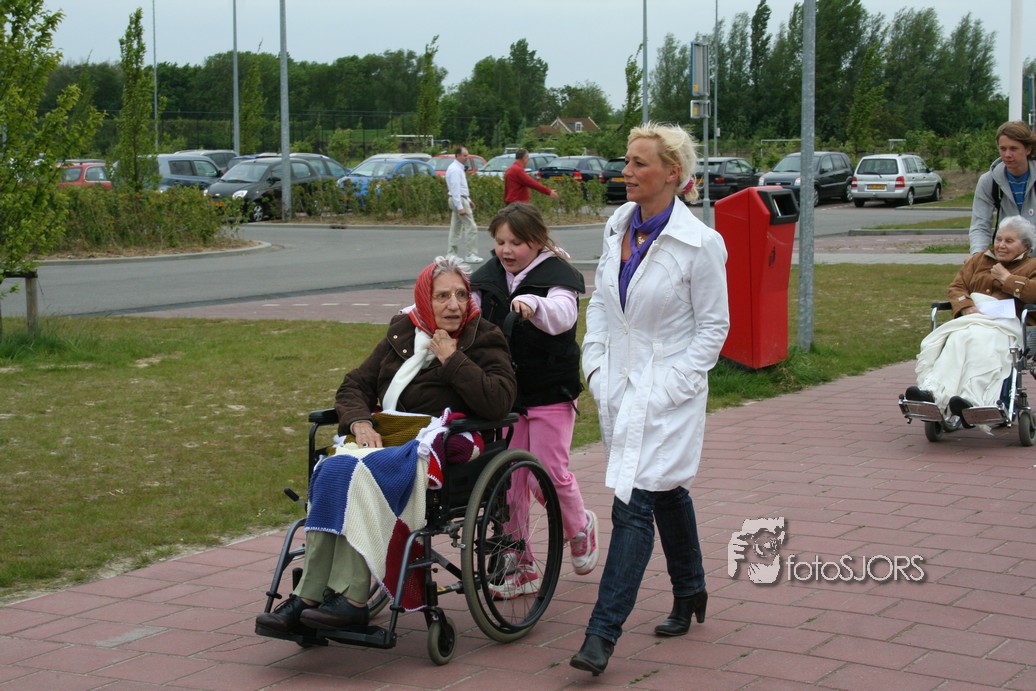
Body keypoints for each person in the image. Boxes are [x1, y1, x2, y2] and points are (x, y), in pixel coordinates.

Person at [256, 256, 516, 634]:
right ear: (424, 299)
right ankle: (308, 595)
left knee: (360, 473)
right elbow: (355, 384)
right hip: (384, 439)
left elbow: (499, 402)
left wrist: (452, 359)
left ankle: (352, 599)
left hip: (434, 448)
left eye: (462, 295)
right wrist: (359, 421)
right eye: (443, 296)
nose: (455, 305)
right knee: (332, 469)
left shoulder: (483, 337)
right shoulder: (403, 331)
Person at [569, 122, 729, 677]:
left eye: (639, 163)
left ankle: (601, 635)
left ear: (671, 174)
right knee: (665, 491)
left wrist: (671, 385)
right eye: (627, 160)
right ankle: (691, 589)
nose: (626, 171)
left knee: (634, 502)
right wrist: (594, 363)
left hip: (668, 394)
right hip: (619, 385)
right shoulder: (618, 224)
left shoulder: (699, 244)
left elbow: (714, 328)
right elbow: (601, 304)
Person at [469, 202, 599, 598]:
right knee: (510, 480)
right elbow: (464, 310)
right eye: (500, 242)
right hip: (506, 395)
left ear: (538, 241)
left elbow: (562, 315)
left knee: (549, 471)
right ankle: (519, 561)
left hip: (549, 391)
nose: (506, 250)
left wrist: (533, 304)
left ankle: (579, 528)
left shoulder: (557, 275)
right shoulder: (487, 277)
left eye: (516, 242)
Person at [906, 215, 1036, 422]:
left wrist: (1008, 279)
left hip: (1006, 325)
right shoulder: (979, 260)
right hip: (972, 319)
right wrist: (965, 306)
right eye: (999, 239)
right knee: (955, 341)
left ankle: (972, 399)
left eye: (1009, 241)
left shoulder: (1032, 266)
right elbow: (957, 287)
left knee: (980, 342)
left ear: (1025, 247)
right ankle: (933, 393)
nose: (1001, 245)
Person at [968, 120, 1036, 255]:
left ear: (1028, 149)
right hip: (1006, 257)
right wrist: (977, 255)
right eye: (1003, 149)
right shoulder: (989, 181)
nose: (1007, 155)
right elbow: (980, 225)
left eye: (1013, 149)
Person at [446, 147, 482, 263]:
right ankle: (470, 254)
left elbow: (460, 188)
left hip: (459, 199)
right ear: (457, 155)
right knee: (471, 227)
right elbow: (455, 189)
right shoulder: (455, 170)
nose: (467, 158)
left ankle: (451, 254)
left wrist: (468, 200)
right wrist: (460, 206)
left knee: (455, 228)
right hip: (459, 199)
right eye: (464, 155)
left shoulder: (457, 168)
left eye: (467, 155)